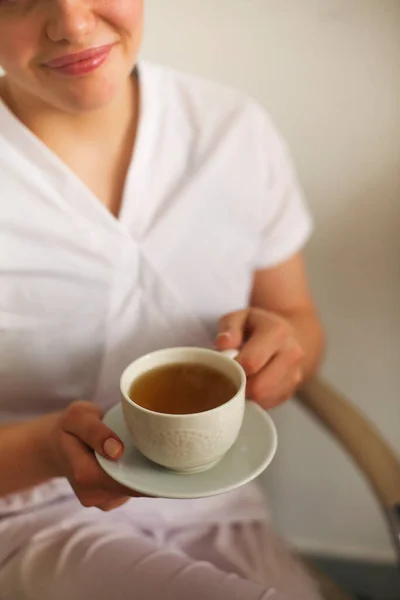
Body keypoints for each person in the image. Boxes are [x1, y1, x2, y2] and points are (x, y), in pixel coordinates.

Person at [0, 2, 325, 599]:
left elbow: (298, 320)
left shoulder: (232, 130)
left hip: (215, 504)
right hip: (28, 515)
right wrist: (48, 449)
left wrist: (284, 352)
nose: (71, 23)